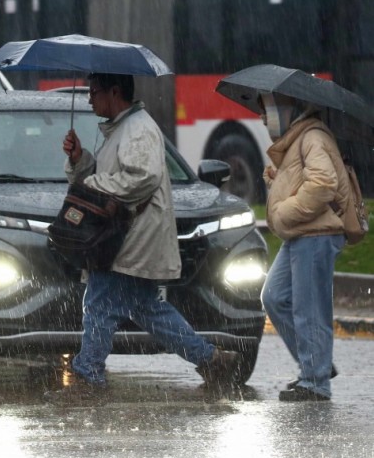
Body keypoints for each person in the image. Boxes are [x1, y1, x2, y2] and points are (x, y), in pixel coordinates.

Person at [52, 73, 241, 397]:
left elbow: (142, 177)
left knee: (99, 302)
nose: (88, 100)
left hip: (131, 238)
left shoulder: (137, 129)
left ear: (114, 92)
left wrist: (91, 185)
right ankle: (211, 360)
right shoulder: (123, 129)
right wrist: (79, 160)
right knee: (148, 309)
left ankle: (88, 376)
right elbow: (113, 175)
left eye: (93, 92)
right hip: (130, 235)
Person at [259, 92, 349, 402]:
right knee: (273, 296)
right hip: (302, 232)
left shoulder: (312, 136)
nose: (262, 117)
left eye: (266, 109)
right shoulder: (298, 137)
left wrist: (283, 209)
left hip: (315, 232)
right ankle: (317, 364)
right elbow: (305, 181)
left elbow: (323, 185)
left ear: (287, 108)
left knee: (309, 309)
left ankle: (316, 382)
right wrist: (278, 182)